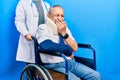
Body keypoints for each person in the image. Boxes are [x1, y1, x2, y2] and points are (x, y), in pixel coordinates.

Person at [36, 5, 101, 80]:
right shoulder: (43, 28)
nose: (60, 18)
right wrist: (67, 50)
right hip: (55, 66)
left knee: (96, 76)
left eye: (62, 16)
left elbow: (75, 48)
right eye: (57, 15)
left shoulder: (64, 28)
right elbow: (46, 45)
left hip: (72, 63)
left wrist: (63, 33)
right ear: (48, 15)